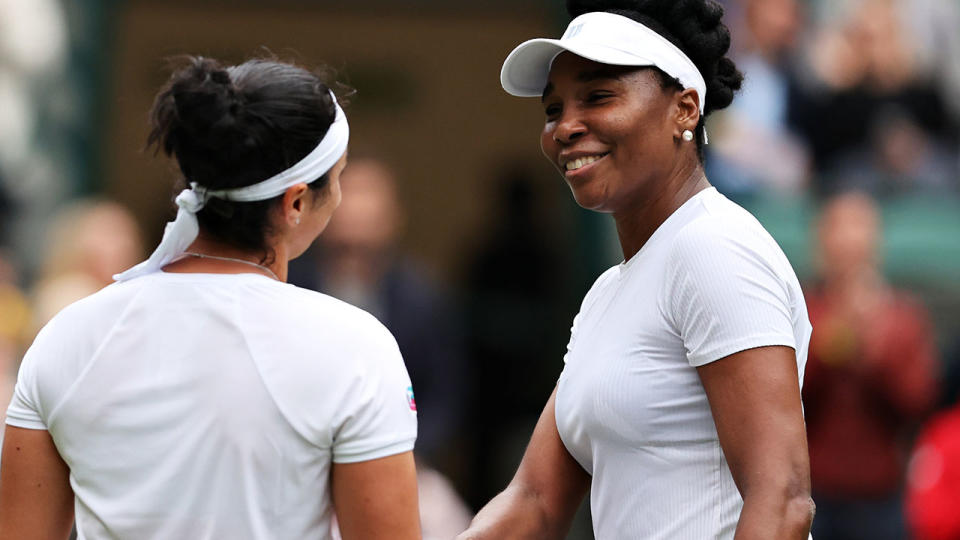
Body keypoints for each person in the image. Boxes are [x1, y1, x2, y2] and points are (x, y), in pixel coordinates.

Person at [0, 57, 420, 539]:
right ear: (297, 202)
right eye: (339, 178)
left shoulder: (65, 337)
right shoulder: (357, 348)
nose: (342, 198)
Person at [459, 1, 814, 538]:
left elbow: (783, 502)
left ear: (685, 110)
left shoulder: (715, 247)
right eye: (552, 110)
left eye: (598, 97)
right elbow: (533, 501)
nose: (565, 128)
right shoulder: (606, 292)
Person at [803, 191, 938, 540]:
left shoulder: (903, 318)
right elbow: (788, 396)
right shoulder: (801, 310)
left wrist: (874, 348)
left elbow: (918, 403)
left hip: (881, 500)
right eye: (839, 229)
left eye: (859, 229)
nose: (849, 241)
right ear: (821, 240)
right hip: (811, 497)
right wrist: (833, 338)